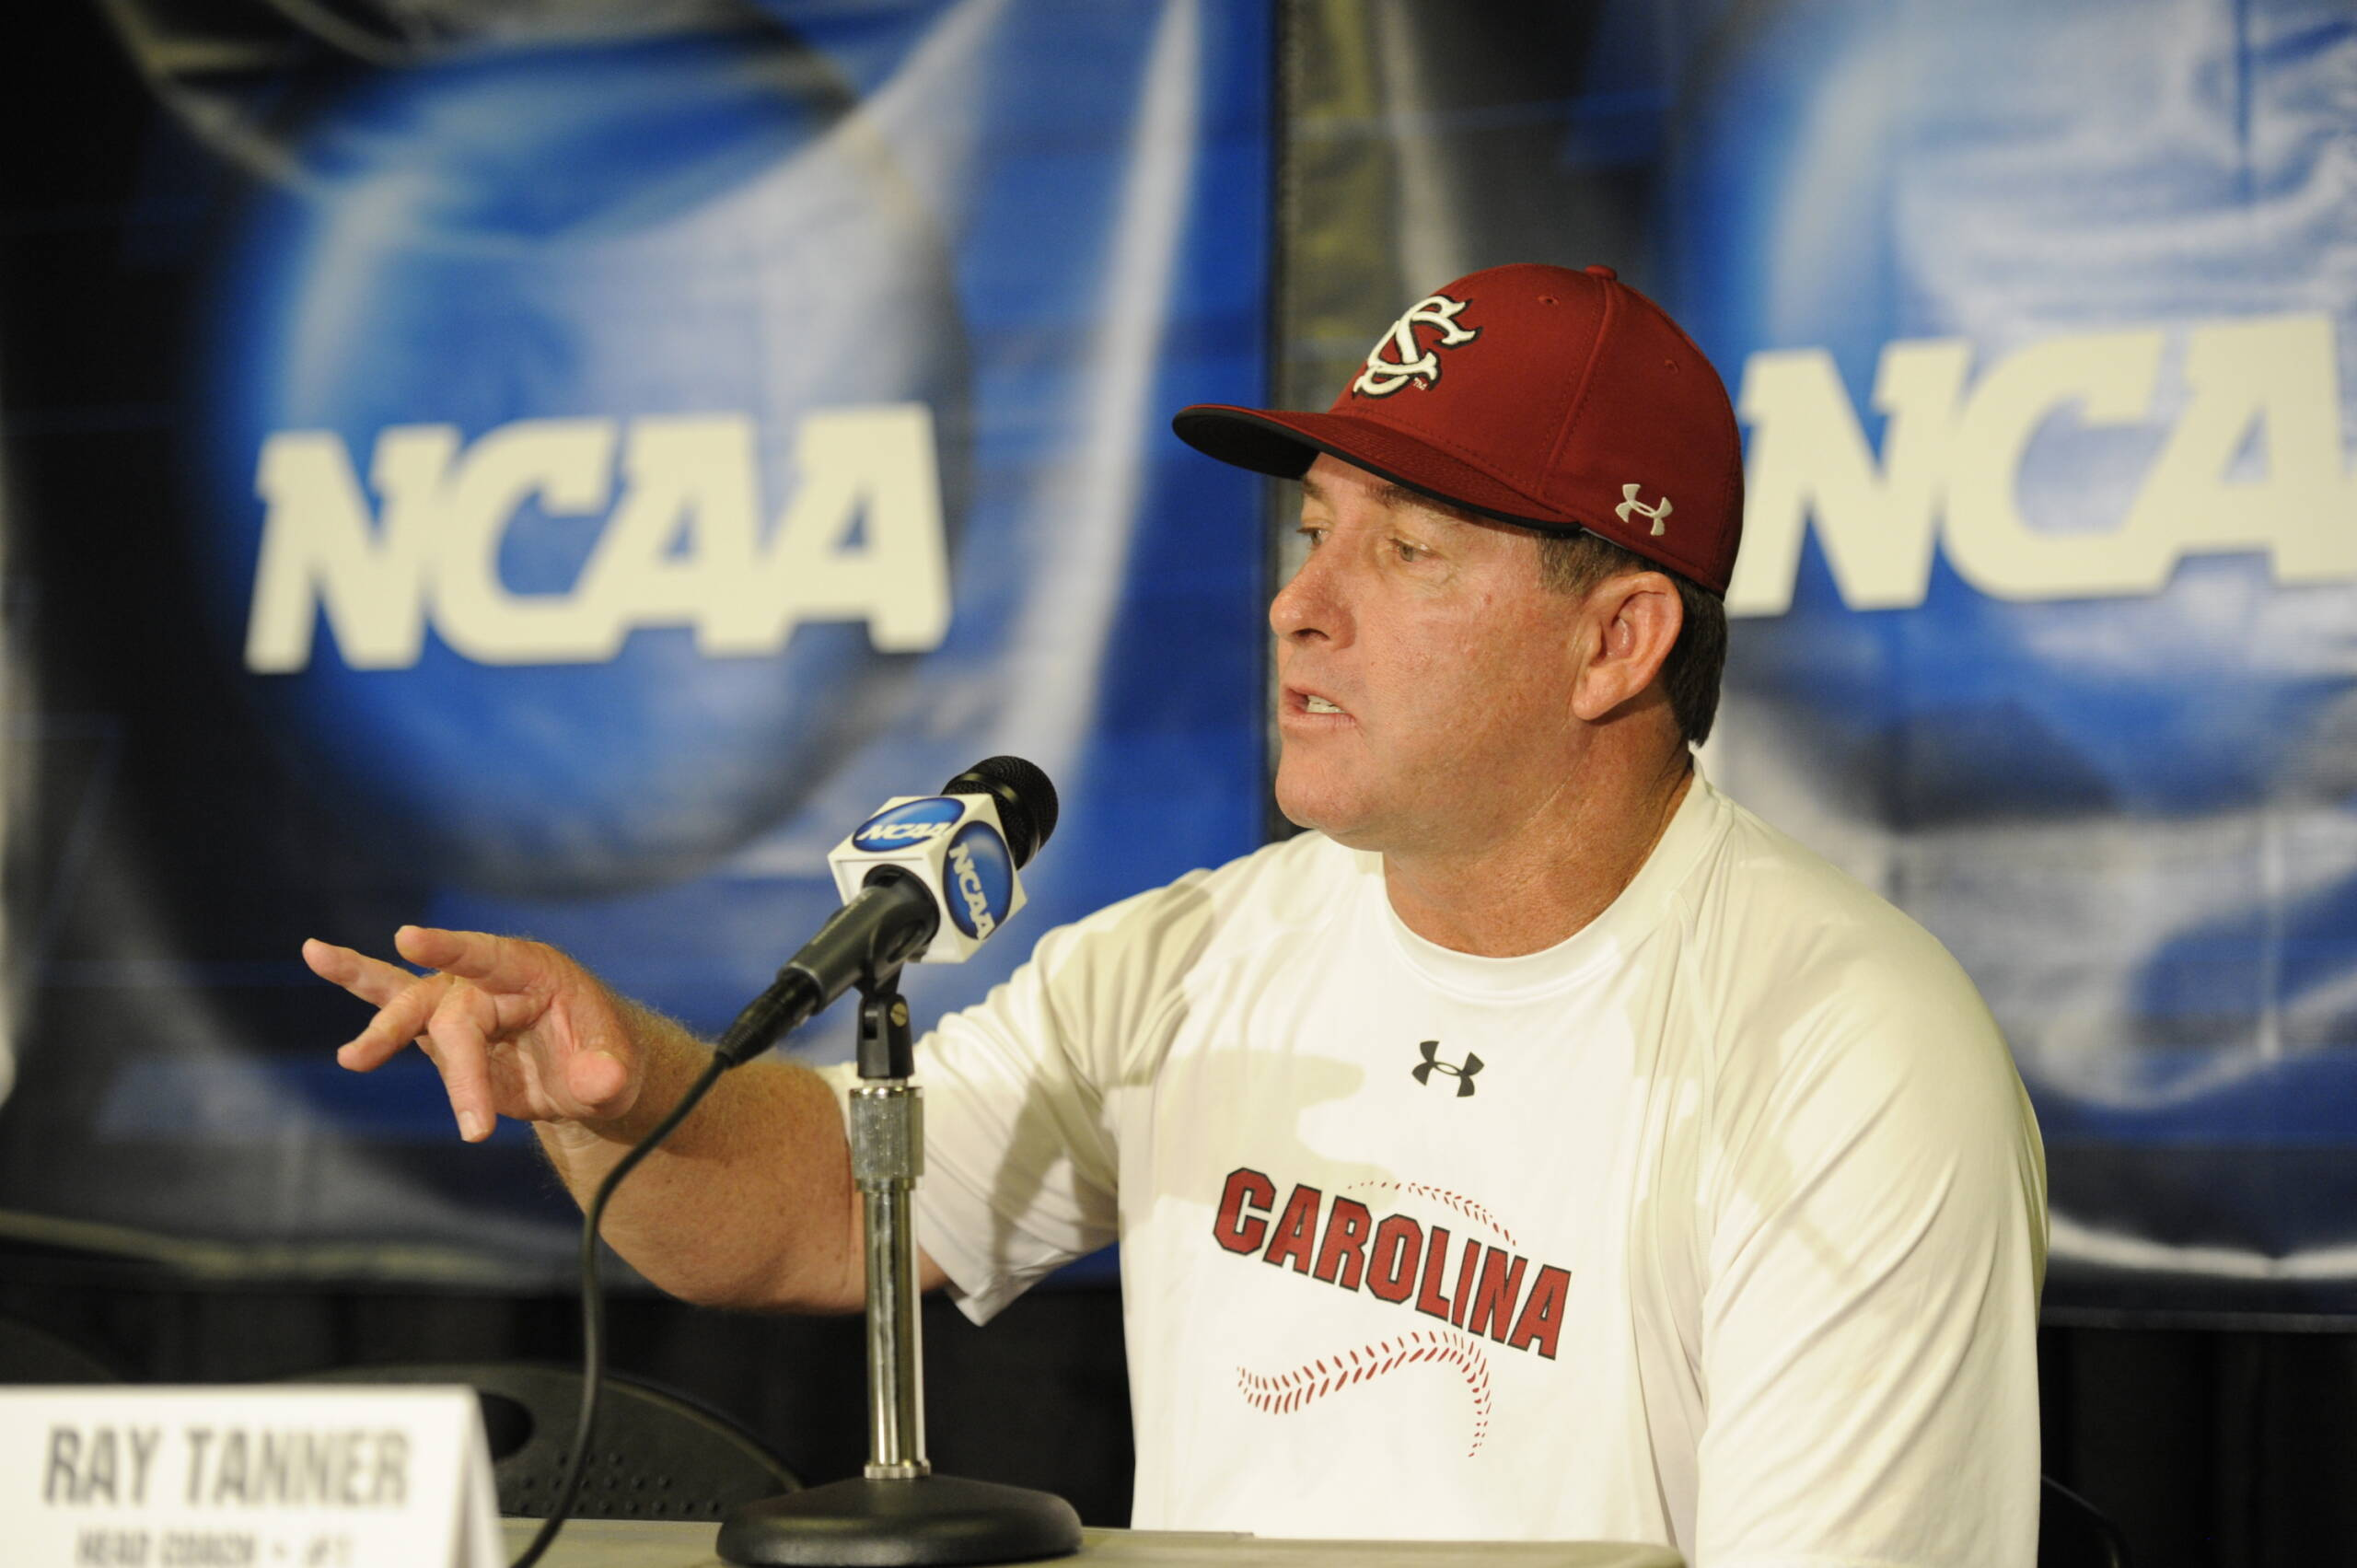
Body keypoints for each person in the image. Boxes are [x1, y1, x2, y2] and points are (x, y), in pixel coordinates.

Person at [307, 263, 2047, 1564]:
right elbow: (814, 1216)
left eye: (1408, 552)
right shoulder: (1205, 953)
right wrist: (618, 1096)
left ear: (1618, 641)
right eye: (1313, 530)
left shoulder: (1849, 1056)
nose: (1301, 603)